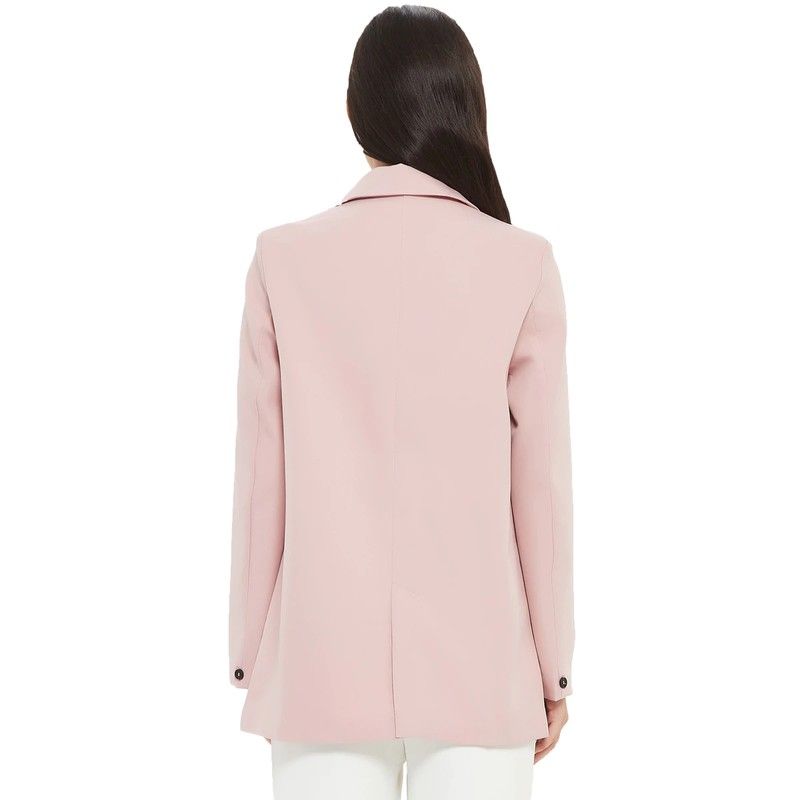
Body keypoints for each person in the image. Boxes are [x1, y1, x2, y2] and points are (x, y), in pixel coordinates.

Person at [228, 6, 574, 798]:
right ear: (465, 106)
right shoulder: (521, 263)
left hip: (319, 660)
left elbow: (261, 480)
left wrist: (254, 655)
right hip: (484, 665)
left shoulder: (282, 260)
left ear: (358, 111)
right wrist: (552, 668)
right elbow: (542, 491)